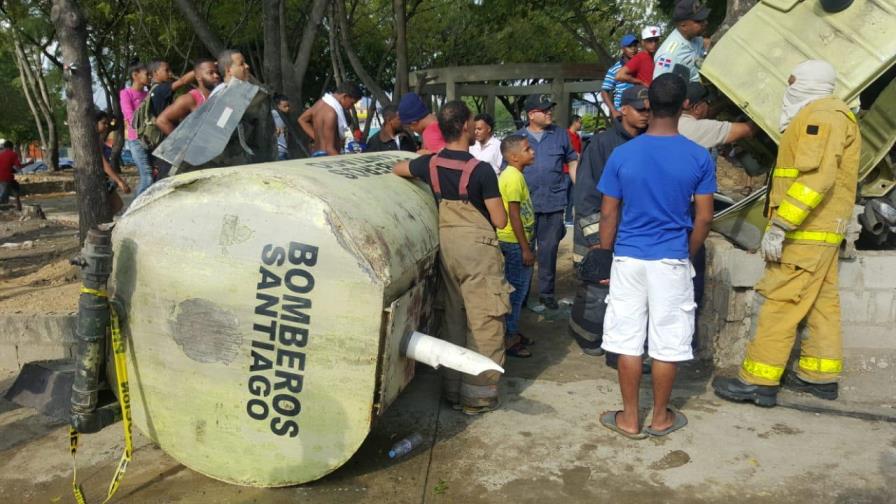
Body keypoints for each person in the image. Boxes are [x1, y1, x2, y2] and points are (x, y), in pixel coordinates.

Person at [712, 60, 861, 406]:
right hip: (822, 231)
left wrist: (782, 225)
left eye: (793, 81)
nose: (788, 87)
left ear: (808, 84)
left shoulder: (819, 117)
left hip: (806, 232)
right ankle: (818, 376)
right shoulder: (833, 114)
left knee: (779, 300)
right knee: (821, 302)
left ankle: (758, 381)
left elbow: (815, 179)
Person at [596, 74, 715, 438]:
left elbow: (608, 212)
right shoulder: (699, 156)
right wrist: (686, 253)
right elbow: (704, 218)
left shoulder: (623, 154)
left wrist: (605, 255)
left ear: (649, 105)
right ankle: (660, 417)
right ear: (684, 105)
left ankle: (630, 419)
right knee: (667, 341)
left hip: (628, 259)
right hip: (671, 260)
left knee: (627, 340)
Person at [392, 100, 509, 416]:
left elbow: (398, 168)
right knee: (484, 318)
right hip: (478, 250)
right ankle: (478, 397)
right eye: (471, 122)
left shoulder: (429, 164)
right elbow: (500, 220)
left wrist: (422, 157)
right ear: (464, 126)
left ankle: (453, 390)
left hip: (448, 246)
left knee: (453, 316)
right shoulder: (481, 170)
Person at [569, 86, 649, 356]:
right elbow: (586, 194)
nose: (645, 115)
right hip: (599, 227)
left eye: (649, 110)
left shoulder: (650, 142)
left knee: (629, 292)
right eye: (640, 109)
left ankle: (620, 338)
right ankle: (586, 335)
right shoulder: (602, 144)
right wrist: (595, 240)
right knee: (595, 287)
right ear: (623, 109)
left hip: (631, 232)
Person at [516, 94, 578, 310]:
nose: (549, 112)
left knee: (549, 250)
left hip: (553, 202)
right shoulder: (517, 138)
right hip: (526, 205)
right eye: (544, 110)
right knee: (523, 251)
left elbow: (572, 160)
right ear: (532, 115)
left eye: (550, 108)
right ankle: (521, 294)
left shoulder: (560, 135)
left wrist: (579, 186)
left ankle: (546, 293)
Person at [496, 135, 536, 359]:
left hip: (517, 241)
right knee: (516, 292)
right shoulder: (512, 177)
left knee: (517, 291)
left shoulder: (516, 175)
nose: (532, 152)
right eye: (527, 149)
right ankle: (509, 337)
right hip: (514, 242)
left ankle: (512, 331)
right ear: (513, 157)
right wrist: (525, 249)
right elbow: (514, 215)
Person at [679, 82, 756, 149]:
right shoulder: (698, 129)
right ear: (697, 108)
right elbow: (748, 130)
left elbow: (706, 115)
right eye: (708, 102)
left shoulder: (678, 120)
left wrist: (725, 103)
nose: (709, 107)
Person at [155, 59, 221, 136]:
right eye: (210, 73)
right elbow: (161, 121)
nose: (216, 76)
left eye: (217, 72)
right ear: (198, 77)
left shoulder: (222, 91)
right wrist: (181, 141)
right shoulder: (190, 99)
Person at [298, 81, 363, 156]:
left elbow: (302, 120)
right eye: (352, 103)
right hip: (327, 158)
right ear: (344, 96)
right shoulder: (331, 114)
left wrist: (318, 138)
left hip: (318, 154)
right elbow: (329, 149)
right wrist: (342, 162)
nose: (351, 107)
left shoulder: (319, 104)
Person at [653, 0, 710, 82]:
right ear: (683, 26)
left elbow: (705, 43)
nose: (706, 23)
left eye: (704, 19)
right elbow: (660, 86)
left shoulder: (693, 36)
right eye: (698, 21)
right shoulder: (668, 55)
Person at [119, 61, 153, 195]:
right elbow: (130, 116)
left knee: (153, 176)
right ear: (135, 75)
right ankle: (135, 205)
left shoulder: (149, 94)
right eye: (147, 74)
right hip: (137, 140)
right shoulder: (126, 93)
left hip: (150, 140)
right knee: (147, 177)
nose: (150, 77)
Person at [95, 110, 132, 215]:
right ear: (94, 123)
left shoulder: (99, 139)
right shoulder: (95, 141)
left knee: (117, 205)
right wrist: (119, 181)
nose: (107, 126)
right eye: (103, 123)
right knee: (116, 205)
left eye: (107, 123)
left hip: (103, 179)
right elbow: (103, 163)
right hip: (98, 180)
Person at [601, 34, 639, 119]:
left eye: (635, 45)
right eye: (629, 46)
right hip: (623, 115)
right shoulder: (614, 69)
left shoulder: (642, 65)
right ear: (622, 49)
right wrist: (613, 111)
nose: (633, 49)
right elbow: (604, 91)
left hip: (641, 112)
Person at [564, 115, 583, 224]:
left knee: (572, 195)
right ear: (574, 122)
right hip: (565, 170)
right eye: (580, 122)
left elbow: (580, 151)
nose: (581, 125)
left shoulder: (578, 136)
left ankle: (568, 218)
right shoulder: (565, 135)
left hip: (575, 170)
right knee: (563, 195)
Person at [0, 141, 23, 210]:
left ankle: (19, 207)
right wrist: (29, 163)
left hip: (4, 177)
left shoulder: (1, 154)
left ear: (4, 147)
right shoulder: (13, 154)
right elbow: (18, 166)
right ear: (11, 147)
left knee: (15, 187)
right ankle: (18, 206)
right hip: (6, 178)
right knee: (4, 196)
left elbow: (4, 167)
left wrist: (12, 170)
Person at [272, 94, 291, 160]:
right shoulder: (275, 113)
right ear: (278, 106)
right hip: (279, 148)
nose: (287, 108)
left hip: (283, 148)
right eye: (285, 106)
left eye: (288, 106)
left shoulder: (284, 115)